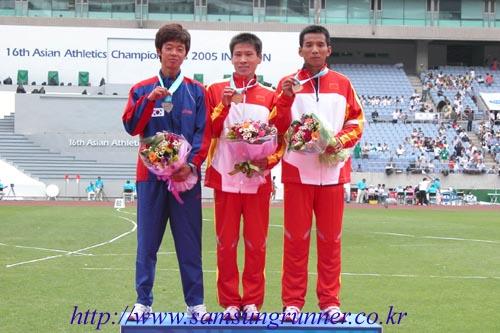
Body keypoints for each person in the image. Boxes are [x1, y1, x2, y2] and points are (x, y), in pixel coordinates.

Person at [274, 25, 364, 322]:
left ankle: (329, 302)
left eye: (319, 45)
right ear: (300, 50)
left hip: (333, 173)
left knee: (330, 240)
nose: (314, 49)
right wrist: (286, 98)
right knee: (295, 240)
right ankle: (292, 303)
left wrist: (338, 141)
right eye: (308, 45)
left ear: (329, 49)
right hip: (298, 173)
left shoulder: (343, 83)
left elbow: (357, 122)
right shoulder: (287, 84)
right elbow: (276, 123)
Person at [122, 23, 211, 321]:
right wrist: (148, 102)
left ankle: (195, 303)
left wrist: (190, 165)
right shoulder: (141, 89)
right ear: (159, 51)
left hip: (186, 180)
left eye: (180, 49)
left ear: (186, 54)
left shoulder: (197, 91)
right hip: (150, 180)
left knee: (189, 242)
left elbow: (204, 134)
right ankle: (143, 301)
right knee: (147, 242)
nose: (174, 53)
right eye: (169, 48)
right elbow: (131, 127)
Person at [204, 32, 286, 320]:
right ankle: (229, 301)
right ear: (231, 58)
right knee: (225, 244)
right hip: (224, 178)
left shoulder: (270, 95)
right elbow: (209, 131)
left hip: (257, 182)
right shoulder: (215, 90)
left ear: (259, 59)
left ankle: (252, 301)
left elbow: (280, 138)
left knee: (256, 243)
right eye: (238, 54)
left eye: (248, 54)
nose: (243, 60)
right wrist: (223, 106)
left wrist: (268, 162)